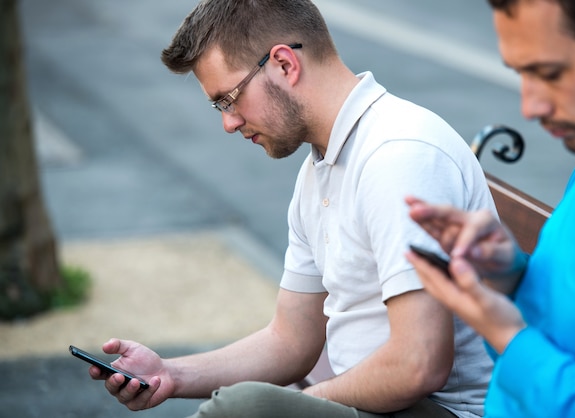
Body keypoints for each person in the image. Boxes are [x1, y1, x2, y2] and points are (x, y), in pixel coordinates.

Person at [90, 0, 496, 416]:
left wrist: (289, 408)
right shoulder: (321, 167)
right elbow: (291, 340)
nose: (228, 122)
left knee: (241, 409)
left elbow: (419, 365)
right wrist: (169, 374)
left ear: (284, 64)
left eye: (228, 99)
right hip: (380, 404)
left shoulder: (397, 155)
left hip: (443, 410)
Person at [405, 0, 575, 417]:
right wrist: (509, 273)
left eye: (550, 73)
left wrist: (510, 339)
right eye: (521, 73)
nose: (530, 107)